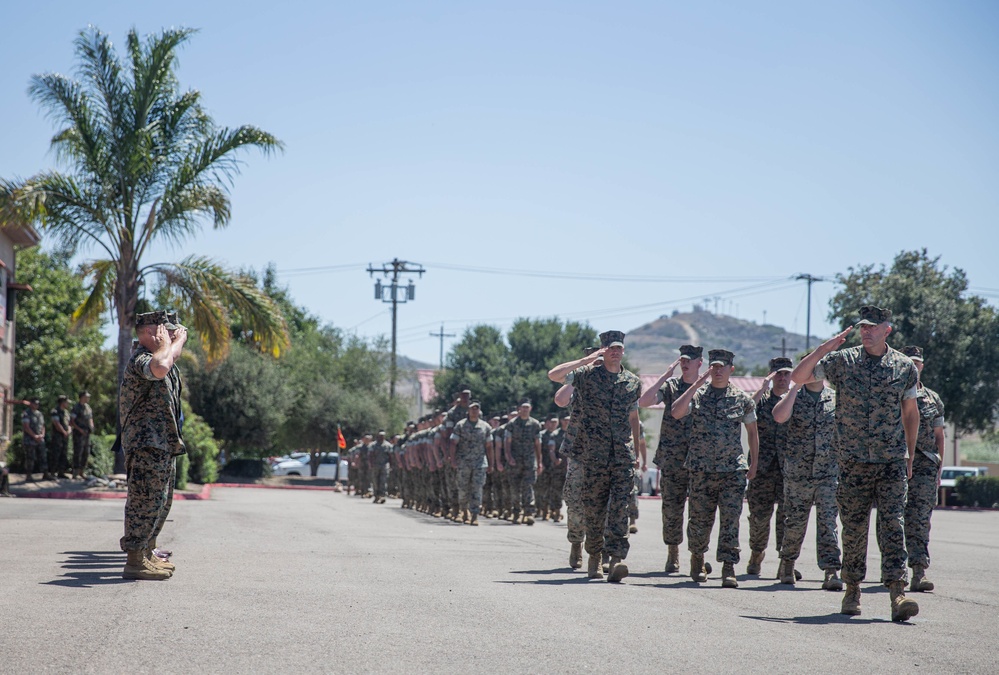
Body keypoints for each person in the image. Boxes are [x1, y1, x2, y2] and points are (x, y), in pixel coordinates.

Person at [790, 306, 920, 622]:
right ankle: (852, 590)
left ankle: (897, 592)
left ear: (887, 329)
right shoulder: (842, 361)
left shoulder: (904, 367)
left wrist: (910, 454)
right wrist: (824, 348)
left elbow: (911, 413)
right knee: (854, 528)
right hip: (852, 462)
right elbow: (798, 377)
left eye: (873, 327)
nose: (867, 331)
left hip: (890, 461)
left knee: (893, 526)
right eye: (863, 327)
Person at [549, 330, 642, 584]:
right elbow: (554, 376)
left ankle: (615, 560)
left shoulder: (632, 382)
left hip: (622, 456)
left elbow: (634, 419)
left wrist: (636, 451)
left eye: (618, 348)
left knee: (620, 508)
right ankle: (593, 556)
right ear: (602, 349)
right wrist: (585, 361)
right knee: (594, 507)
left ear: (623, 350)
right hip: (593, 455)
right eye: (609, 347)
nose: (614, 351)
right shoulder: (587, 376)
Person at [671, 349, 758, 588]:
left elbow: (752, 433)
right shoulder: (698, 396)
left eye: (722, 366)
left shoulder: (742, 398)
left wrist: (754, 463)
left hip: (732, 470)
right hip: (701, 469)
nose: (717, 370)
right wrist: (695, 385)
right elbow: (676, 412)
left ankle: (728, 567)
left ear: (731, 369)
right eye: (714, 366)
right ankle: (697, 559)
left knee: (731, 520)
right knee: (699, 519)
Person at [119, 310, 186, 581]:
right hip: (146, 444)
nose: (172, 335)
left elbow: (167, 362)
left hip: (159, 444)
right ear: (148, 332)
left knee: (158, 501)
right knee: (143, 502)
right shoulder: (142, 360)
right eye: (166, 331)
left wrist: (172, 345)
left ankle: (146, 552)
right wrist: (174, 344)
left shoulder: (159, 356)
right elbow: (160, 366)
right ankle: (135, 559)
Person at [771, 366, 843, 589]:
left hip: (828, 472)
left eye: (817, 369)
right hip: (798, 473)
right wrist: (796, 386)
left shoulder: (836, 398)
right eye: (808, 369)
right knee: (794, 522)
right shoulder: (791, 397)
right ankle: (788, 563)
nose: (814, 373)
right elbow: (779, 416)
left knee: (828, 523)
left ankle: (831, 571)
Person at [637, 344, 703, 574]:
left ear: (699, 364)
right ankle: (673, 554)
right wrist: (664, 376)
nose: (684, 364)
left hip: (700, 460)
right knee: (672, 510)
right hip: (672, 459)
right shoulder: (671, 386)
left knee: (699, 511)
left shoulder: (705, 389)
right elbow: (644, 401)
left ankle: (697, 555)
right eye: (682, 360)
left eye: (689, 360)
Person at [901, 345, 945, 593]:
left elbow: (940, 436)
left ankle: (919, 571)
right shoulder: (891, 395)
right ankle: (893, 571)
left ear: (921, 366)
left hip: (925, 465)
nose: (914, 366)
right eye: (909, 362)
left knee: (920, 519)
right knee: (893, 520)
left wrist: (939, 467)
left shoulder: (933, 398)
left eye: (917, 362)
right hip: (896, 463)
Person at [746, 358, 792, 577]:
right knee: (758, 516)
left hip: (789, 468)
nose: (782, 378)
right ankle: (756, 553)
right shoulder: (761, 400)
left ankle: (785, 562)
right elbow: (743, 411)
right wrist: (762, 388)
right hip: (761, 467)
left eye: (786, 374)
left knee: (788, 517)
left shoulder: (795, 399)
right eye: (777, 374)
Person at [450, 401, 493, 525]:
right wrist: (453, 459)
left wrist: (491, 463)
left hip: (479, 462)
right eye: (472, 409)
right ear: (468, 411)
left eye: (476, 409)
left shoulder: (485, 427)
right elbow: (453, 443)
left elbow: (489, 446)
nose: (474, 411)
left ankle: (474, 515)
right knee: (463, 489)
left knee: (477, 488)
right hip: (463, 462)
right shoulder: (460, 425)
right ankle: (464, 510)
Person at [503, 400, 543, 525]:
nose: (525, 409)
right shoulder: (511, 424)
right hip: (515, 460)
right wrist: (509, 457)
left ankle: (529, 513)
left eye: (527, 407)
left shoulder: (535, 424)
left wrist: (539, 461)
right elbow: (507, 442)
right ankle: (516, 512)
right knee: (515, 487)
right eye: (523, 407)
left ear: (530, 408)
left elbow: (538, 444)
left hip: (529, 460)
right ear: (519, 408)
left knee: (528, 486)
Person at [22, 398, 51, 482]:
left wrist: (42, 435)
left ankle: (45, 473)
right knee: (30, 457)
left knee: (43, 456)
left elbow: (42, 425)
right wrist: (35, 436)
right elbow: (26, 427)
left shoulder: (39, 414)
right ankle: (29, 475)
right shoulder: (26, 413)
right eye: (35, 403)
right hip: (30, 440)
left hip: (40, 439)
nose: (36, 405)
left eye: (37, 404)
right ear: (31, 404)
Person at [70, 391, 95, 479]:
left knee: (86, 452)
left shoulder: (88, 407)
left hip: (86, 433)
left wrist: (92, 426)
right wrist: (80, 430)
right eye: (86, 397)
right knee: (78, 452)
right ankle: (75, 472)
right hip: (78, 434)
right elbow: (72, 421)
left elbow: (90, 418)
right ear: (81, 397)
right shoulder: (76, 407)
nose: (88, 398)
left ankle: (82, 471)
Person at [49, 395, 72, 479]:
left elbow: (69, 423)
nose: (67, 404)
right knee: (56, 454)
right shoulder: (55, 411)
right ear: (62, 402)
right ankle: (52, 472)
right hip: (57, 436)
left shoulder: (66, 412)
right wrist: (63, 432)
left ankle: (61, 472)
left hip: (65, 437)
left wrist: (69, 430)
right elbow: (56, 423)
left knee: (64, 454)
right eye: (66, 402)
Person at [369, 431, 393, 504]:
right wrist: (371, 464)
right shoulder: (373, 445)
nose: (381, 437)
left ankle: (382, 496)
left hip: (384, 465)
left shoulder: (388, 445)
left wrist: (391, 465)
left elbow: (390, 456)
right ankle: (376, 495)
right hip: (375, 465)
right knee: (375, 481)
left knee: (383, 481)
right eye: (380, 436)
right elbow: (370, 455)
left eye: (383, 436)